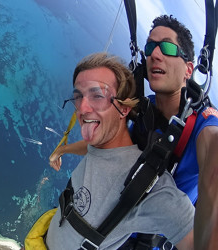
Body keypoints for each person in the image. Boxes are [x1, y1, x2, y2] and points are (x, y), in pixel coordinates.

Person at [49, 15, 218, 250]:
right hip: (117, 230)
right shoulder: (141, 109)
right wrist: (64, 149)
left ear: (189, 69)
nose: (155, 55)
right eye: (150, 47)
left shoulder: (203, 123)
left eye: (168, 47)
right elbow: (107, 143)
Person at [38, 52, 195, 250]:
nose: (82, 109)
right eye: (78, 97)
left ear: (124, 108)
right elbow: (92, 149)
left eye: (98, 96)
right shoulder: (101, 143)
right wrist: (61, 150)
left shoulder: (145, 185)